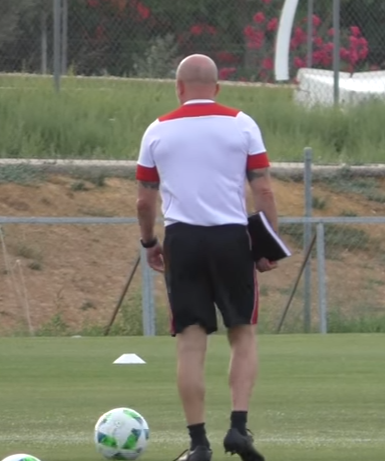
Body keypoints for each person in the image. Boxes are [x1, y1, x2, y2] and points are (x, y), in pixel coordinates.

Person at [135, 54, 280, 461]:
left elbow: (145, 200)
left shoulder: (158, 130)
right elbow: (263, 190)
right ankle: (238, 429)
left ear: (178, 89)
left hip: (182, 239)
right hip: (231, 238)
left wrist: (150, 243)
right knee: (242, 334)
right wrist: (268, 246)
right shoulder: (241, 123)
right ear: (217, 88)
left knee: (191, 343)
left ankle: (198, 444)